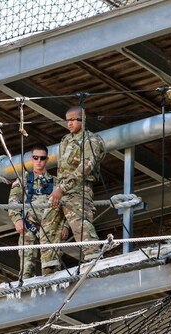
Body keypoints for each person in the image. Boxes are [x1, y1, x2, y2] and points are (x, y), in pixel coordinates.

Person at [48, 106, 105, 267]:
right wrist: (59, 188)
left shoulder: (91, 140)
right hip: (62, 190)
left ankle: (93, 258)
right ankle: (49, 266)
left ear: (83, 120)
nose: (70, 123)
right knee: (49, 225)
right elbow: (62, 169)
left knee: (80, 225)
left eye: (74, 120)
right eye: (68, 120)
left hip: (78, 189)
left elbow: (86, 167)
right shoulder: (65, 140)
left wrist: (62, 188)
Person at [8, 144, 64, 278]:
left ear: (47, 159)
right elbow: (13, 201)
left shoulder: (56, 183)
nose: (39, 161)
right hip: (29, 225)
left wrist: (65, 226)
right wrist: (17, 219)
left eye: (42, 158)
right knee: (27, 268)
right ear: (31, 159)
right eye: (36, 157)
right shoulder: (23, 180)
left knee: (51, 267)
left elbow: (65, 207)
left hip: (51, 227)